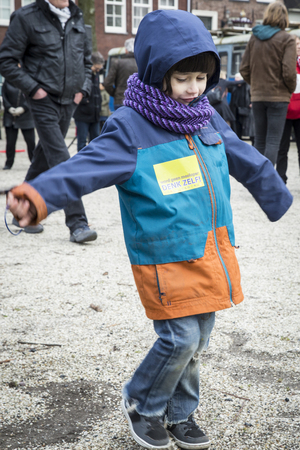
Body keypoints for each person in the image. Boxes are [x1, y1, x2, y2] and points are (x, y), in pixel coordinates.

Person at [6, 10, 292, 450]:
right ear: (159, 75)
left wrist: (275, 194)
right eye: (183, 79)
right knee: (179, 339)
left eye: (201, 77)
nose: (194, 88)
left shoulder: (207, 117)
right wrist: (38, 198)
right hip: (165, 254)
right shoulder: (131, 128)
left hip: (211, 250)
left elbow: (245, 157)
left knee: (198, 342)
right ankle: (142, 401)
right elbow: (84, 167)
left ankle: (181, 413)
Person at [0, 0, 97, 243]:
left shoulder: (77, 16)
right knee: (60, 159)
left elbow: (87, 62)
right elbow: (7, 61)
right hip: (42, 101)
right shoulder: (26, 17)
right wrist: (33, 89)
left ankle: (20, 211)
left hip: (69, 101)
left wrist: (82, 90)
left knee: (43, 156)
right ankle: (77, 223)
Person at [239, 1, 297, 166]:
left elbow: (244, 69)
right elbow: (288, 72)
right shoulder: (288, 39)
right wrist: (289, 90)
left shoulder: (254, 37)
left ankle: (258, 182)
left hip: (258, 97)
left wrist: (256, 86)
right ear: (284, 18)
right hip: (279, 98)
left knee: (260, 140)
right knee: (273, 141)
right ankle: (267, 184)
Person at [277, 36, 300, 184]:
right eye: (296, 44)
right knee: (282, 149)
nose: (298, 46)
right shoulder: (284, 64)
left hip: (299, 113)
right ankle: (280, 180)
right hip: (284, 111)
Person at [73, 51, 104, 152]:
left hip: (94, 115)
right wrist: (85, 101)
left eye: (99, 68)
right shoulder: (82, 74)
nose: (98, 70)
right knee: (82, 141)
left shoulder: (96, 74)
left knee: (95, 140)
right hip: (83, 114)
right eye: (96, 67)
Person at [2, 79, 35, 170]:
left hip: (26, 115)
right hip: (10, 116)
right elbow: (4, 96)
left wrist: (24, 107)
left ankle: (34, 162)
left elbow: (31, 95)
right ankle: (9, 163)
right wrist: (8, 107)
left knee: (31, 142)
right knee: (10, 142)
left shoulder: (29, 79)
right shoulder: (7, 82)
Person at [103, 37, 137, 110]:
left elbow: (107, 83)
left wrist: (115, 93)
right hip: (137, 101)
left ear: (126, 50)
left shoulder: (117, 63)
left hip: (120, 100)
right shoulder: (142, 64)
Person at [229, 73, 255, 144]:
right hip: (236, 111)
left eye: (237, 78)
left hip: (247, 111)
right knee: (237, 129)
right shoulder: (234, 87)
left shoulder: (248, 86)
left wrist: (252, 102)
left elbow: (252, 94)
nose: (236, 80)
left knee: (249, 129)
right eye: (235, 78)